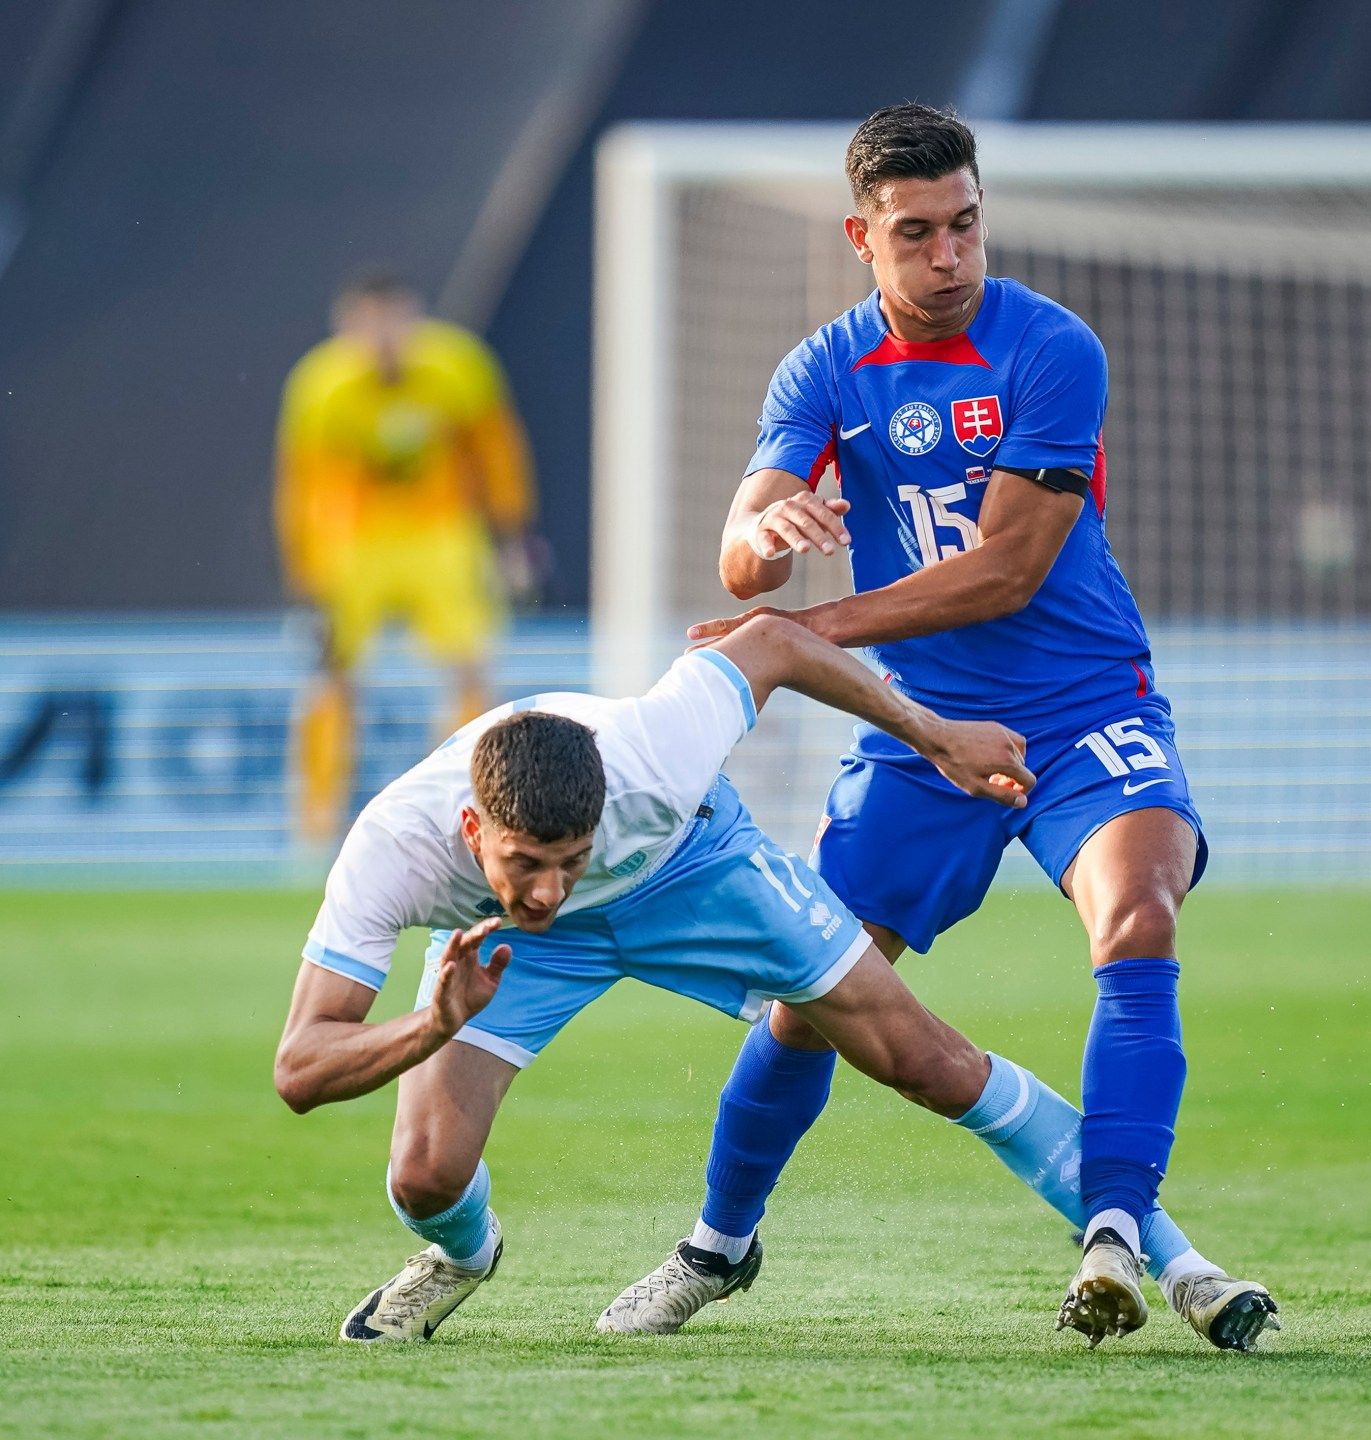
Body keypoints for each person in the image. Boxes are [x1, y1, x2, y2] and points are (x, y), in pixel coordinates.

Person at [627, 104, 1279, 1351]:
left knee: (1139, 915)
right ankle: (717, 1244)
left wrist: (817, 633)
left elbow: (1008, 571)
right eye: (917, 233)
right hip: (918, 733)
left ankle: (1115, 1233)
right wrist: (766, 538)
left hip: (1088, 706)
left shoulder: (1050, 348)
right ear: (860, 236)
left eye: (966, 225)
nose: (949, 255)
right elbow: (743, 551)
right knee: (811, 996)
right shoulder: (822, 370)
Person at [273, 613, 1039, 1341]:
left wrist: (936, 738)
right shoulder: (392, 848)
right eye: (525, 864)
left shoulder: (654, 754)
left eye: (567, 861)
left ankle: (1135, 1232)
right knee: (425, 1177)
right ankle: (463, 1255)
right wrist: (431, 1028)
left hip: (687, 870)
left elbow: (772, 640)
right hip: (523, 948)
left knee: (924, 1061)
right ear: (475, 830)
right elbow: (300, 1069)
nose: (547, 889)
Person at [274, 271, 537, 845]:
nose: (382, 338)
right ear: (347, 327)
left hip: (441, 533)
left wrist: (511, 535)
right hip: (357, 541)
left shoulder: (458, 365)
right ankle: (314, 826)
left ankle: (472, 805)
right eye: (368, 325)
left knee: (469, 665)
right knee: (332, 675)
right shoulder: (321, 383)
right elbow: (302, 483)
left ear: (414, 318)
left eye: (392, 322)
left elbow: (496, 453)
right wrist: (305, 568)